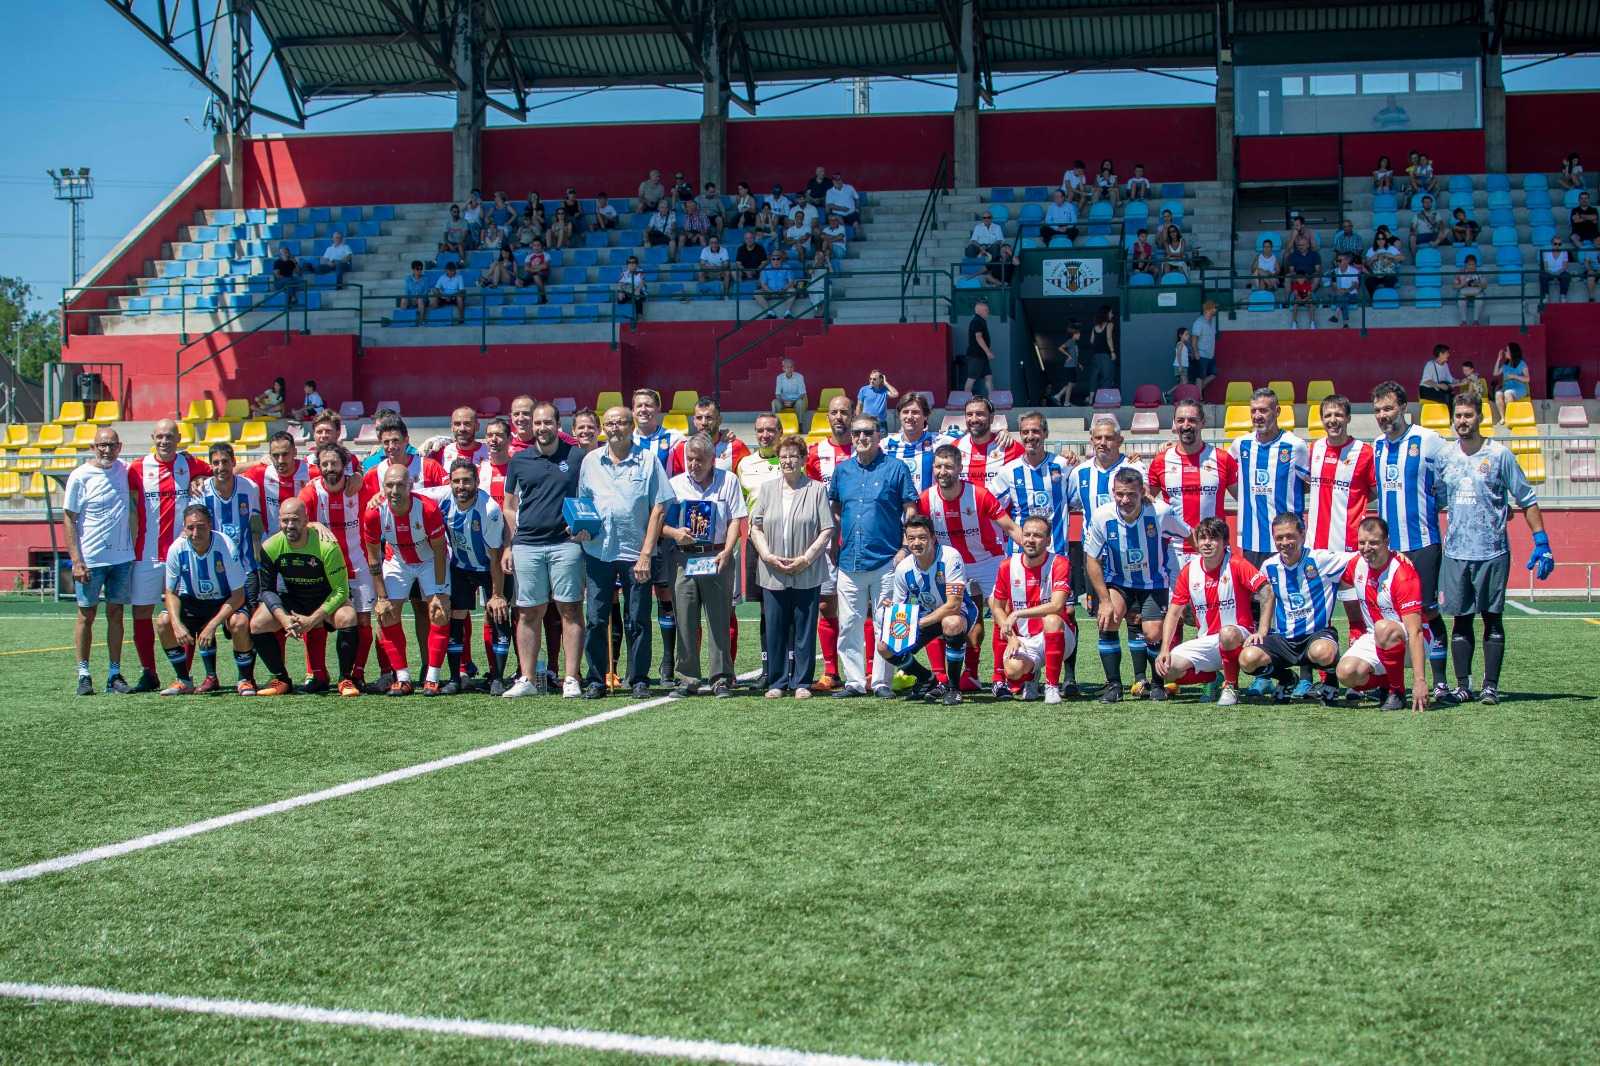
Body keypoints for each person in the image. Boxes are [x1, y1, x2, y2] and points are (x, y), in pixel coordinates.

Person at [1435, 394, 1552, 705]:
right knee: (1460, 621)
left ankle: (1490, 687)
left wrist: (1542, 541)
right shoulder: (1445, 457)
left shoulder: (1500, 455)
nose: (1462, 421)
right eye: (1458, 415)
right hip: (1456, 552)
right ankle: (1463, 686)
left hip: (1492, 552)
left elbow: (1527, 499)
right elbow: (1435, 498)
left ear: (1481, 417)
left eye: (1468, 415)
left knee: (1492, 618)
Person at [575, 406, 673, 699]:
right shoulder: (591, 461)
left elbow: (659, 507)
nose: (615, 428)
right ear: (603, 428)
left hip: (635, 553)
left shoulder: (648, 460)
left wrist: (646, 553)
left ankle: (639, 678)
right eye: (610, 423)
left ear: (631, 427)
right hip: (598, 551)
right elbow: (583, 503)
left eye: (620, 423)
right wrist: (580, 527)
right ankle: (596, 679)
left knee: (637, 619)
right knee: (596, 618)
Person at [1370, 380, 1452, 700]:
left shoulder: (1428, 440)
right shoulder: (1377, 445)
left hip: (1422, 542)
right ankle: (1391, 683)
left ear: (1404, 407)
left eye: (1389, 408)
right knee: (1388, 615)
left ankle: (1440, 682)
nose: (1383, 415)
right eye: (1378, 410)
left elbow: (1452, 474)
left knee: (1427, 613)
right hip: (1390, 550)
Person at [919, 444, 1023, 695]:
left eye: (948, 466)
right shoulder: (926, 499)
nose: (942, 471)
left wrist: (1034, 553)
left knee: (1001, 613)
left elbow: (1009, 527)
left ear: (959, 468)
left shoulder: (979, 495)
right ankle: (942, 678)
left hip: (988, 560)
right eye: (938, 466)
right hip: (952, 564)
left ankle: (999, 677)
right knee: (943, 613)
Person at [828, 414, 919, 698]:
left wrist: (905, 548)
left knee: (887, 623)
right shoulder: (842, 471)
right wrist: (834, 543)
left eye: (867, 432)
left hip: (887, 559)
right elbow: (835, 509)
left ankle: (882, 682)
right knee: (849, 624)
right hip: (849, 560)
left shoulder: (896, 468)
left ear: (879, 435)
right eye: (856, 433)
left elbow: (911, 509)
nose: (861, 438)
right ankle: (854, 682)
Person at [1084, 467, 1192, 703]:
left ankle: (1157, 684)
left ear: (1142, 492)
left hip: (1153, 582)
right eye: (1120, 494)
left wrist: (1203, 564)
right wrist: (1104, 601)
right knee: (1108, 619)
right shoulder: (1102, 516)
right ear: (1113, 492)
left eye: (1131, 494)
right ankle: (1114, 685)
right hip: (1119, 580)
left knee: (1153, 632)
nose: (1125, 500)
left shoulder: (1161, 512)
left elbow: (1188, 534)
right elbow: (1091, 558)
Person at [501, 400, 585, 699]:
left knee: (570, 609)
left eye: (547, 422)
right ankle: (527, 678)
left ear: (558, 425)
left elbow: (589, 496)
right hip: (527, 545)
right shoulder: (519, 460)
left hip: (566, 545)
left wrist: (582, 524)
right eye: (537, 423)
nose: (542, 427)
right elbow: (509, 505)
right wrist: (511, 543)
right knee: (527, 612)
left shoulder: (577, 457)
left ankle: (572, 678)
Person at [125, 419, 211, 693]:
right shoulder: (137, 468)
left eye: (170, 436)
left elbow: (220, 470)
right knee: (141, 612)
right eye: (160, 436)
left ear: (179, 438)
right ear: (153, 437)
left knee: (184, 614)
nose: (164, 441)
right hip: (146, 554)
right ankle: (148, 672)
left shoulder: (191, 464)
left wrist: (200, 478)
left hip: (182, 555)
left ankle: (183, 675)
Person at [1153, 517, 1272, 707]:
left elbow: (1266, 591)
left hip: (1238, 636)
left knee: (1227, 633)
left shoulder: (1236, 564)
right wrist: (1165, 649)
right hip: (1207, 640)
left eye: (1213, 538)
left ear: (1225, 543)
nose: (1207, 543)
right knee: (1167, 669)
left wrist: (1262, 631)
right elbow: (1174, 613)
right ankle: (1213, 678)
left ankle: (1231, 686)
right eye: (1202, 538)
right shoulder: (1189, 571)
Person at [749, 433, 833, 699]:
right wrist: (767, 555)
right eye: (783, 456)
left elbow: (826, 529)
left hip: (806, 570)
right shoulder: (767, 489)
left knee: (804, 628)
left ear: (803, 459)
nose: (787, 461)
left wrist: (806, 559)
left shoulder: (816, 489)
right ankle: (777, 681)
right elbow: (755, 526)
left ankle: (802, 682)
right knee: (775, 627)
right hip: (772, 570)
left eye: (793, 456)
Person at [663, 434, 747, 698]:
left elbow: (735, 520)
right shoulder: (674, 484)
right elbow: (658, 523)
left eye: (699, 460)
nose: (694, 464)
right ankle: (687, 678)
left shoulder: (729, 480)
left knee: (719, 619)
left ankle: (721, 678)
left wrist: (727, 551)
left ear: (712, 460)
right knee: (685, 619)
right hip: (684, 558)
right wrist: (676, 534)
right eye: (690, 459)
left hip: (717, 556)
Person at [247, 498, 357, 696]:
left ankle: (345, 679)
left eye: (295, 520)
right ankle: (282, 679)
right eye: (285, 520)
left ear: (306, 520)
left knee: (347, 617)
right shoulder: (270, 546)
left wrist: (312, 620)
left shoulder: (327, 546)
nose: (290, 525)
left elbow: (341, 590)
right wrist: (283, 618)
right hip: (294, 599)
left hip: (324, 598)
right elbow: (267, 590)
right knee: (257, 624)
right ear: (279, 521)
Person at [417, 460, 508, 695]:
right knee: (455, 617)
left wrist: (497, 594)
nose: (461, 486)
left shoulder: (489, 510)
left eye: (467, 481)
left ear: (477, 482)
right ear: (449, 482)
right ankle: (455, 678)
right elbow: (412, 493)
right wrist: (380, 496)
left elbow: (495, 556)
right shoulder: (443, 496)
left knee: (497, 615)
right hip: (460, 567)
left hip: (488, 568)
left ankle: (497, 677)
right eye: (456, 481)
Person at [1240, 513, 1352, 703]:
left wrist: (1395, 556)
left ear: (1302, 535)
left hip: (1316, 635)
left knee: (1323, 652)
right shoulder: (1269, 566)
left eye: (1290, 536)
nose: (1285, 542)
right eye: (1279, 538)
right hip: (1284, 639)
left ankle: (1331, 680)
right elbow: (1267, 597)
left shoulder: (1321, 559)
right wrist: (1262, 631)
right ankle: (1287, 679)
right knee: (1247, 659)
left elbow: (1359, 558)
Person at [363, 464, 452, 696]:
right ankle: (403, 678)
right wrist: (381, 597)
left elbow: (440, 550)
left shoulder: (427, 509)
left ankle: (432, 678)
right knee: (386, 613)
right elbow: (373, 557)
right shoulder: (374, 512)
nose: (394, 491)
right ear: (383, 487)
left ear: (410, 486)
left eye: (400, 485)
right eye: (389, 485)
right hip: (397, 560)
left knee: (439, 611)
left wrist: (439, 591)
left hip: (430, 559)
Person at [300, 442, 379, 696]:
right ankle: (318, 675)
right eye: (324, 464)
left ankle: (356, 674)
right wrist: (313, 525)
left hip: (359, 564)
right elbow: (296, 521)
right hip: (323, 570)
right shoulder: (311, 492)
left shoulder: (359, 488)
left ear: (345, 466)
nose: (329, 468)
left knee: (363, 620)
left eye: (334, 463)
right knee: (317, 619)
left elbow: (379, 502)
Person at [876, 515, 976, 706]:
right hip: (924, 616)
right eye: (911, 538)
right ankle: (927, 680)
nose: (916, 543)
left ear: (933, 537)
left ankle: (953, 689)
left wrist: (917, 623)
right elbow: (901, 609)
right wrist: (893, 610)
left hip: (958, 613)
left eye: (922, 537)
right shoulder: (903, 568)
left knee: (951, 623)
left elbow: (953, 605)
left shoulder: (950, 556)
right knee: (884, 646)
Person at [63, 426, 134, 695]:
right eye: (102, 445)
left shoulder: (125, 470)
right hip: (90, 559)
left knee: (116, 614)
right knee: (86, 615)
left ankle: (114, 674)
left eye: (112, 445)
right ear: (93, 447)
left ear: (120, 447)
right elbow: (69, 518)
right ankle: (84, 674)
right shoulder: (80, 475)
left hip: (122, 558)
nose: (107, 450)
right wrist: (76, 560)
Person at [1334, 517, 1430, 712]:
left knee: (1383, 627)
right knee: (1346, 673)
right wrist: (1355, 628)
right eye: (1362, 542)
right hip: (1376, 636)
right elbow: (1338, 579)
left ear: (1387, 542)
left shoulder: (1402, 573)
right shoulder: (1355, 563)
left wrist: (1420, 680)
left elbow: (1416, 631)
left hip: (1413, 640)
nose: (1366, 548)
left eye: (1374, 542)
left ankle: (1397, 691)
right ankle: (1387, 682)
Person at [156, 505, 251, 695]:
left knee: (240, 623)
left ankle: (245, 679)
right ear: (184, 528)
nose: (195, 533)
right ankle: (183, 680)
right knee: (163, 622)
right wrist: (176, 624)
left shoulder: (226, 546)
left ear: (210, 525)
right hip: (193, 600)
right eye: (190, 527)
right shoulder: (177, 548)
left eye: (200, 527)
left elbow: (239, 595)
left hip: (225, 600)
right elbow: (170, 592)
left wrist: (212, 625)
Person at [986, 514, 1075, 704]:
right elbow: (997, 607)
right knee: (1013, 670)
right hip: (1024, 637)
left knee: (1052, 619)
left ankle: (1052, 686)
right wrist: (1011, 637)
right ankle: (1032, 676)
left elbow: (1057, 605)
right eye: (1027, 535)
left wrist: (1017, 613)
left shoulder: (1059, 563)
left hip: (1058, 634)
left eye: (1037, 535)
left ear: (1048, 540)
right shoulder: (1007, 566)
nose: (1030, 540)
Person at [804, 394, 856, 691]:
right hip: (826, 541)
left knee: (869, 606)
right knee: (826, 604)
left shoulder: (867, 446)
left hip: (862, 539)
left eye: (844, 412)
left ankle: (871, 671)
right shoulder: (815, 452)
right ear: (828, 417)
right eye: (834, 412)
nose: (839, 417)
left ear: (853, 415)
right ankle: (831, 672)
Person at [1229, 388, 1309, 568]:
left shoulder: (1295, 446)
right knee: (1256, 587)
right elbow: (1222, 471)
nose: (1257, 416)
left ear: (1277, 411)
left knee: (1289, 586)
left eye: (1263, 410)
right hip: (1252, 539)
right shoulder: (1240, 444)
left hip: (1287, 539)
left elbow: (1310, 484)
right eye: (1254, 411)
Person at [243, 431, 310, 538]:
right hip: (271, 540)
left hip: (303, 539)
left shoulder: (309, 471)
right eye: (275, 455)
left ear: (295, 452)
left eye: (285, 454)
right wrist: (257, 462)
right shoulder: (261, 472)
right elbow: (231, 472)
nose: (280, 460)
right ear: (269, 455)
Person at [947, 394, 1023, 486]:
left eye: (979, 414)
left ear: (991, 418)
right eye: (969, 414)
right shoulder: (954, 448)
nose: (974, 419)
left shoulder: (1009, 447)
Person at [881, 392, 939, 493]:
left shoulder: (939, 443)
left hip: (927, 502)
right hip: (896, 503)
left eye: (915, 412)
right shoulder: (885, 445)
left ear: (925, 416)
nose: (909, 416)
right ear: (899, 415)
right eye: (905, 412)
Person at [755, 248, 802, 318]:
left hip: (784, 291)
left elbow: (791, 281)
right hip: (770, 292)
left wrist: (784, 289)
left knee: (793, 290)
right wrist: (770, 291)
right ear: (770, 260)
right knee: (756, 293)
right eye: (773, 259)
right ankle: (770, 312)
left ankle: (787, 312)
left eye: (778, 259)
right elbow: (763, 284)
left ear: (781, 259)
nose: (775, 261)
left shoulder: (787, 267)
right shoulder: (766, 269)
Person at [1491, 343, 1530, 425]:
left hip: (1519, 389)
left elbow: (1527, 379)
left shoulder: (1522, 364)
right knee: (1498, 393)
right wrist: (1498, 359)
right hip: (1507, 387)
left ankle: (1511, 416)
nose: (1505, 352)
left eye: (1507, 350)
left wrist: (1514, 376)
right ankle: (1503, 418)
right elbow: (1495, 373)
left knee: (1508, 393)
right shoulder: (1506, 364)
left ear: (1512, 352)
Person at [1189, 301, 1218, 393]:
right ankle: (1199, 397)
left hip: (1210, 354)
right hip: (1201, 354)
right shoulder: (1199, 322)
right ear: (1208, 309)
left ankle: (1195, 391)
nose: (1215, 310)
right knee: (1200, 376)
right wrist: (1196, 353)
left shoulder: (1212, 322)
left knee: (1214, 373)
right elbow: (1194, 339)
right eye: (1214, 308)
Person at [772, 357, 807, 423]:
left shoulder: (799, 377)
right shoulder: (779, 377)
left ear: (793, 368)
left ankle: (800, 424)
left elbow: (802, 394)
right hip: (783, 401)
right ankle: (776, 423)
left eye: (791, 367)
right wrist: (783, 401)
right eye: (787, 367)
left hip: (796, 401)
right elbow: (777, 394)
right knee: (775, 402)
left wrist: (793, 402)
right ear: (783, 368)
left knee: (800, 403)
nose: (789, 369)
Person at [1540, 236, 1571, 301]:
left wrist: (1557, 273)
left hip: (1561, 271)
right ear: (1552, 244)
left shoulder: (1564, 252)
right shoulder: (1546, 252)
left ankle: (1563, 296)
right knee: (1542, 275)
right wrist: (1552, 273)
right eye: (1555, 244)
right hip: (1549, 272)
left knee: (1566, 276)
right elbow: (1545, 267)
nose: (1557, 246)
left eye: (1559, 244)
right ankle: (1546, 296)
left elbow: (1565, 267)